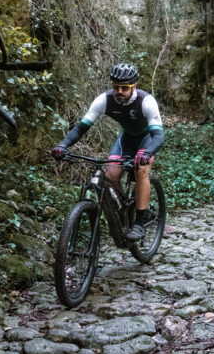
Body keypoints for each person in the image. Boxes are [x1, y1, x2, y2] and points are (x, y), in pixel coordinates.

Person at [52, 63, 164, 241]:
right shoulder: (104, 100)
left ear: (134, 86)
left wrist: (147, 153)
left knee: (141, 170)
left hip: (146, 139)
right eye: (116, 87)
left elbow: (158, 135)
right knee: (111, 174)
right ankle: (124, 209)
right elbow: (82, 127)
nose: (119, 91)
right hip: (126, 139)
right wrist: (63, 145)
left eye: (125, 88)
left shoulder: (146, 101)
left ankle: (139, 223)